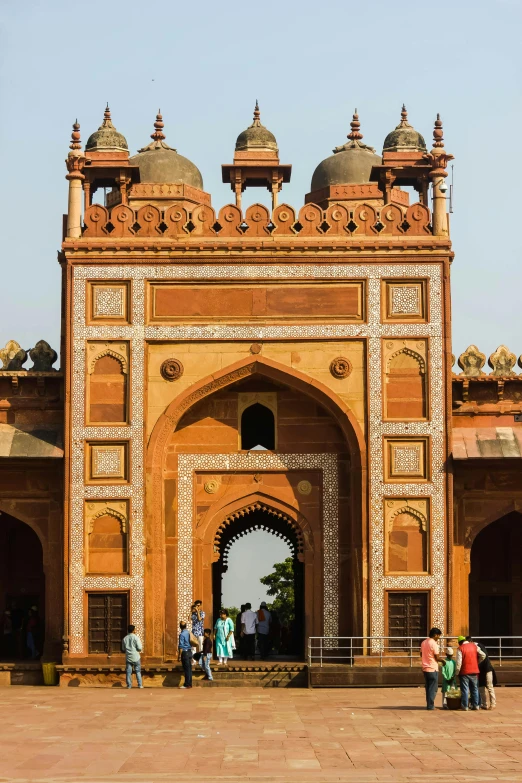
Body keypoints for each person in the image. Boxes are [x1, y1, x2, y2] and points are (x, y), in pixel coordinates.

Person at [456, 635, 486, 710]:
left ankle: (465, 706)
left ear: (459, 643)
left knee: (465, 689)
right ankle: (476, 705)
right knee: (475, 688)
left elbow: (459, 663)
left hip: (464, 671)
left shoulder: (460, 648)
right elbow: (483, 655)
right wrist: (477, 663)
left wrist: (457, 672)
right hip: (474, 670)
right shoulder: (474, 646)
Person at [420, 627, 442, 710]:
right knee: (433, 688)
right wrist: (443, 661)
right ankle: (430, 705)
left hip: (425, 668)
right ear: (435, 635)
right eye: (438, 636)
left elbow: (421, 654)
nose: (439, 638)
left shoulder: (423, 642)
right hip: (432, 668)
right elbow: (437, 657)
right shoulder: (434, 644)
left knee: (428, 687)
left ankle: (429, 704)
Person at [476, 639, 497, 710]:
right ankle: (484, 704)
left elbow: (483, 655)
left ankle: (492, 703)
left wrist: (478, 663)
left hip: (487, 670)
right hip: (482, 670)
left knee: (489, 687)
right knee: (482, 688)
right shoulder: (479, 647)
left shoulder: (477, 647)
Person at [121, 624, 143, 689]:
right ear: (133, 630)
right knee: (138, 671)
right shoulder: (136, 638)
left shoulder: (124, 639)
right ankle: (140, 685)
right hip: (136, 657)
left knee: (128, 672)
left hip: (128, 657)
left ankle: (129, 685)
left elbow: (123, 649)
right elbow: (139, 648)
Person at [178, 621, 193, 688]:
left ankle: (186, 684)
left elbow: (181, 646)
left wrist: (179, 655)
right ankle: (189, 683)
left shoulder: (182, 634)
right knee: (189, 668)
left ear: (180, 627)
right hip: (190, 652)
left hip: (185, 652)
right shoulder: (189, 632)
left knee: (186, 669)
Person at [190, 600, 205, 665]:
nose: (197, 607)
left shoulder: (202, 613)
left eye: (198, 606)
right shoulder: (193, 614)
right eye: (196, 605)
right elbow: (189, 618)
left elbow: (199, 619)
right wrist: (191, 611)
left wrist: (198, 612)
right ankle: (194, 660)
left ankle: (201, 661)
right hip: (194, 632)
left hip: (200, 632)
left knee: (201, 647)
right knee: (193, 647)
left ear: (200, 606)